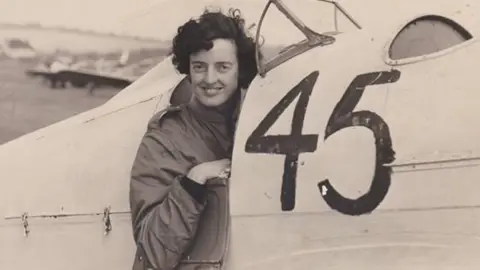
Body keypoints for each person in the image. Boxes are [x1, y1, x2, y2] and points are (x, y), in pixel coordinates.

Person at [129, 8, 260, 270]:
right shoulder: (164, 139)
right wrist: (194, 182)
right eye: (199, 67)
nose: (210, 79)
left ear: (240, 69)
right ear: (188, 70)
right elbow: (152, 256)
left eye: (223, 67)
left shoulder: (257, 122)